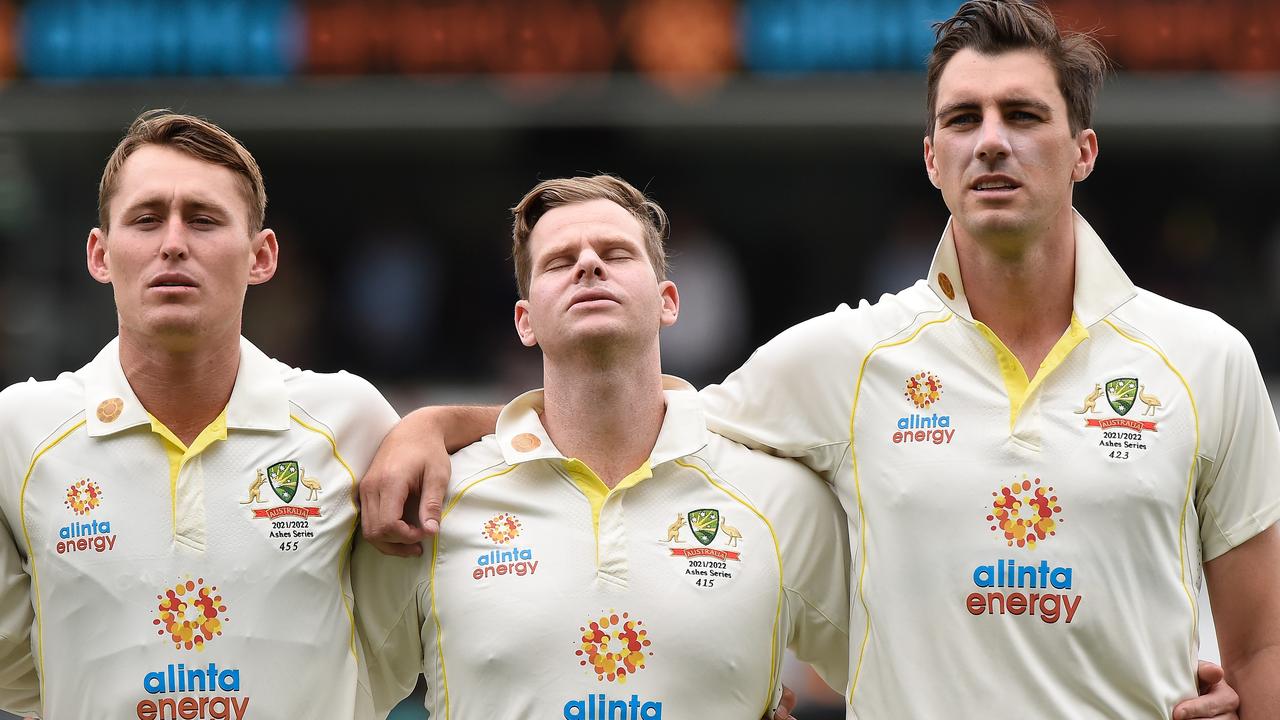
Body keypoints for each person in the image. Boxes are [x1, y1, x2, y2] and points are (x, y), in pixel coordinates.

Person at [358, 2, 1272, 718]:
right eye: (963, 118)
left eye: (1022, 114)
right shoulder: (845, 357)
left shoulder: (1206, 358)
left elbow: (1262, 647)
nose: (991, 137)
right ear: (932, 158)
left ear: (1082, 151)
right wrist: (444, 425)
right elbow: (632, 416)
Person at [352, 175, 850, 719]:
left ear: (668, 302)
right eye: (559, 262)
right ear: (524, 321)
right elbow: (329, 698)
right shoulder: (434, 503)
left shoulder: (781, 499)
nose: (589, 264)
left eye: (616, 252)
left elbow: (903, 677)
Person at [0, 111, 400, 717]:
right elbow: (18, 665)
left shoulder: (352, 420)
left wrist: (437, 425)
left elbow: (398, 648)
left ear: (262, 256)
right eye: (146, 218)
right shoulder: (18, 432)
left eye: (205, 219)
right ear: (100, 254)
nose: (173, 243)